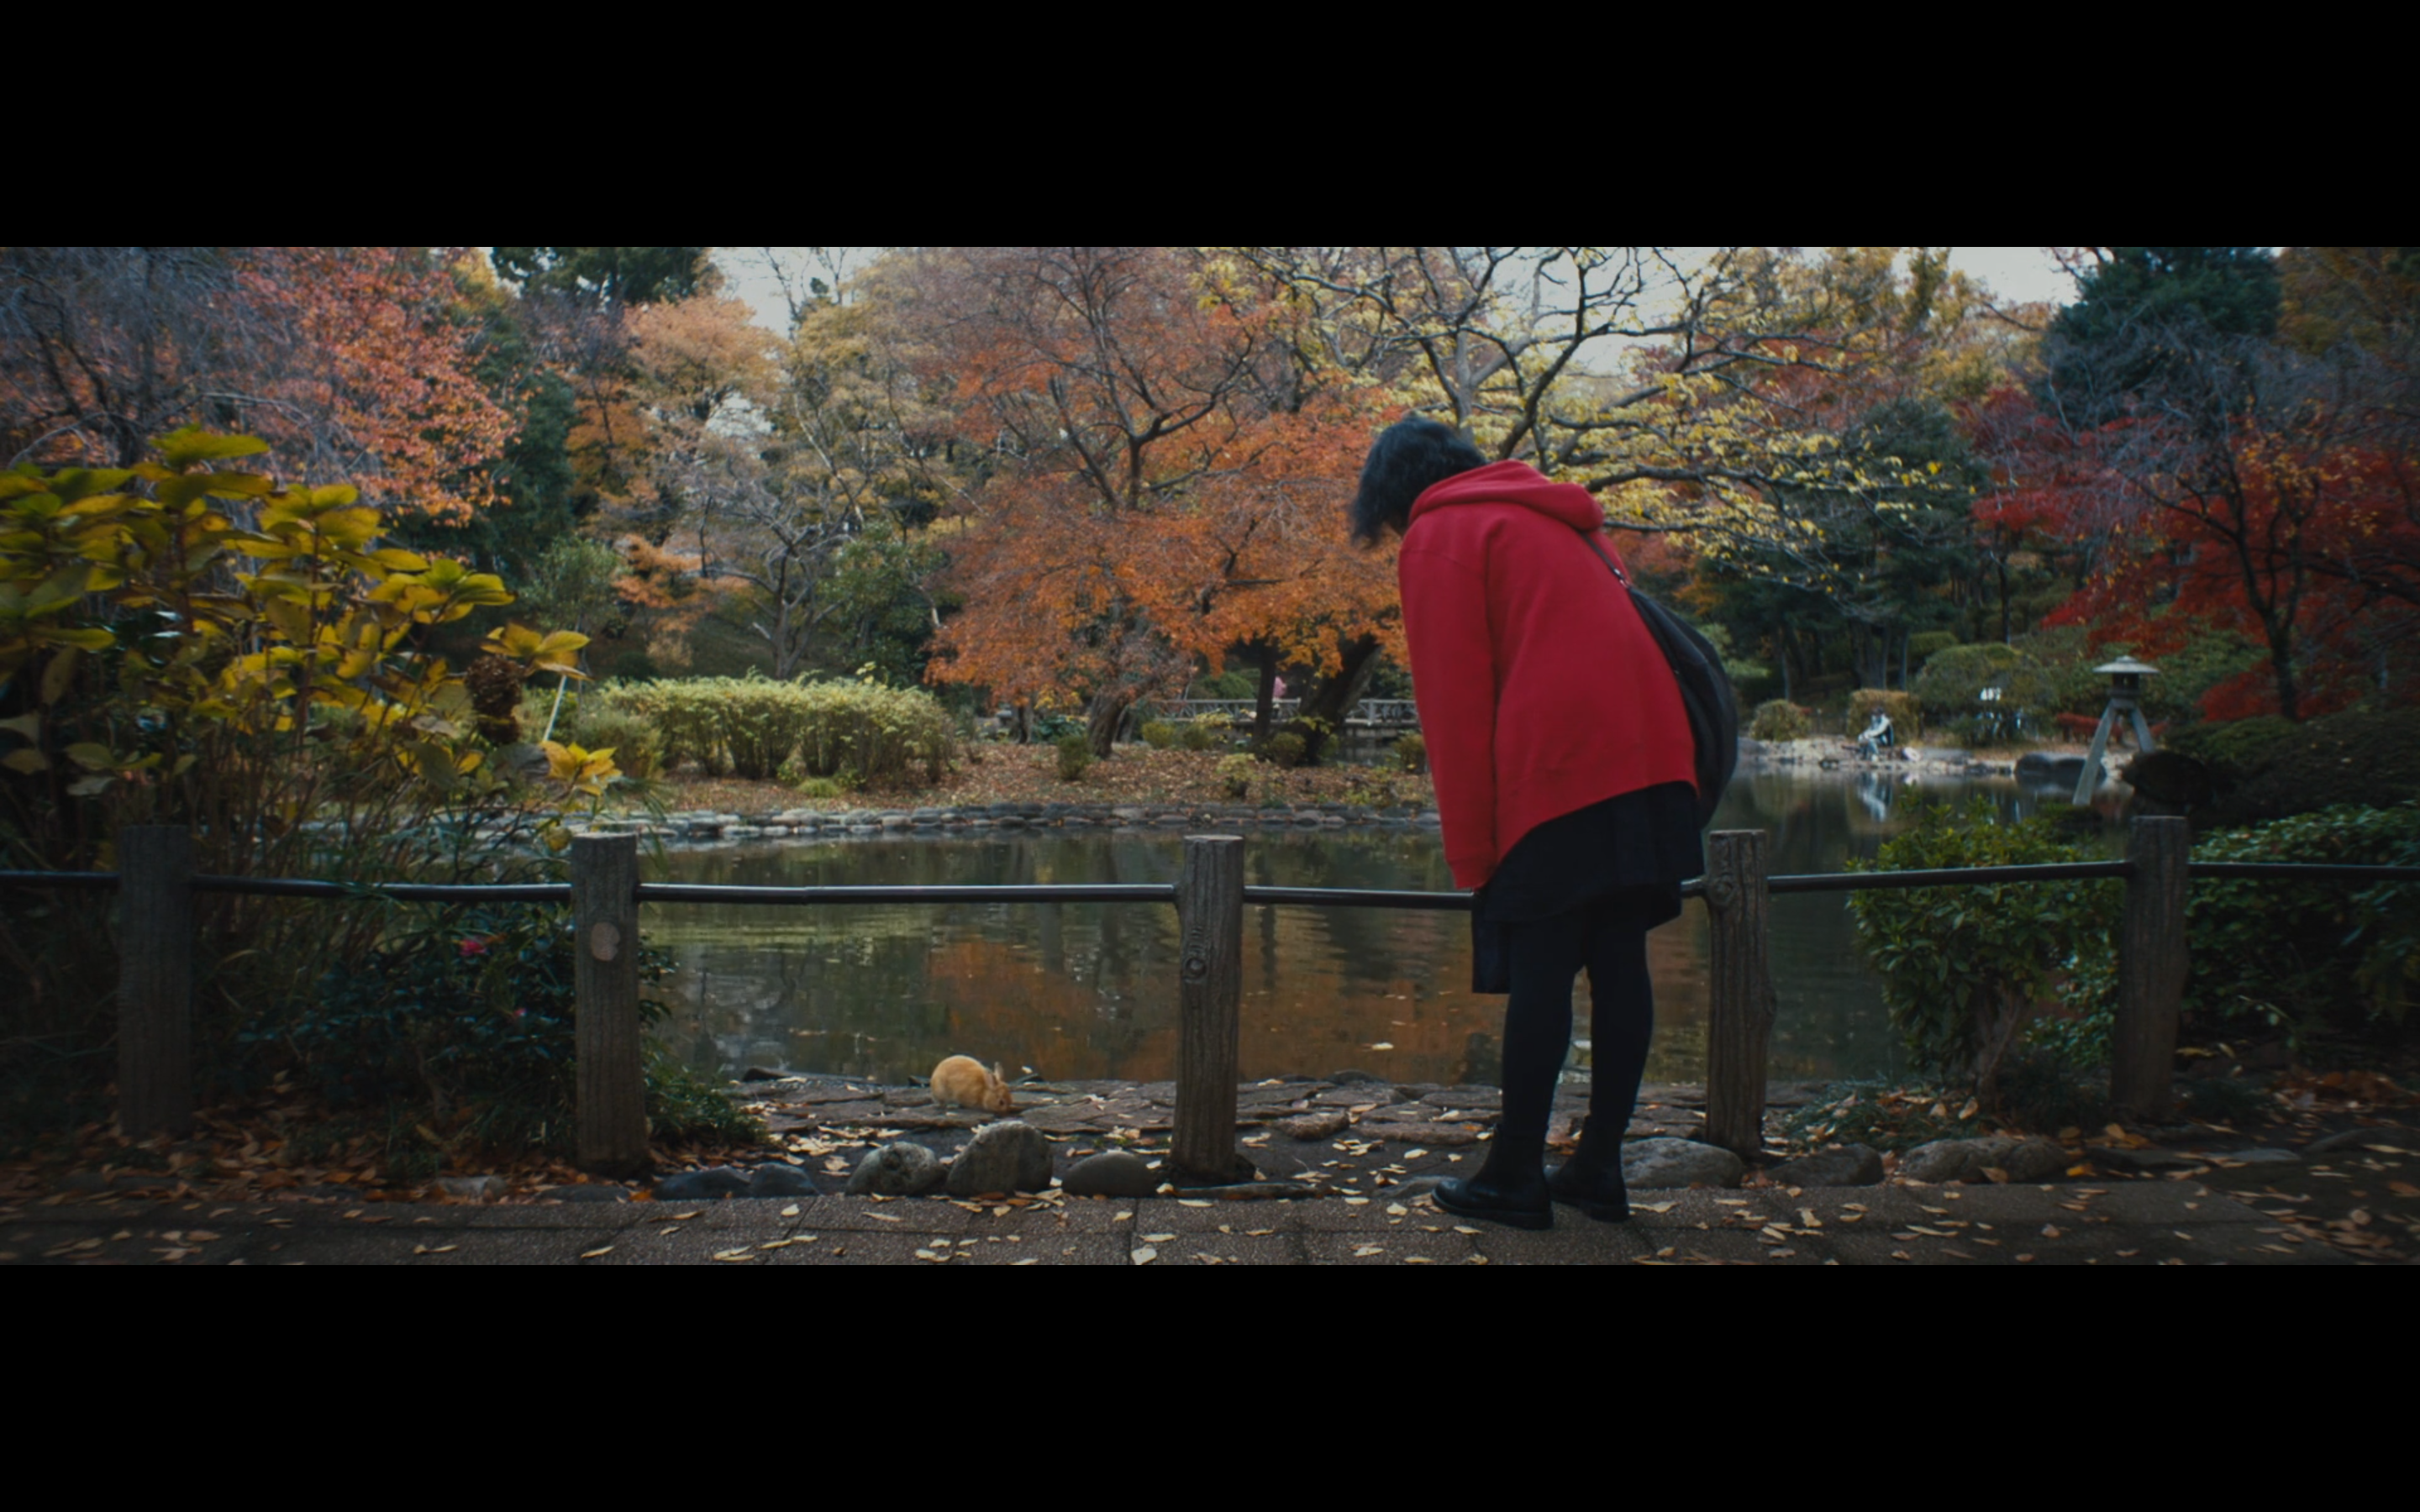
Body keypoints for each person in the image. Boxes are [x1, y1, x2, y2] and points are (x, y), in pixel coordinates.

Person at [1349, 418, 1701, 1229]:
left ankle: (1514, 1175)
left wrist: (1476, 854)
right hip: (1653, 757)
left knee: (1542, 962)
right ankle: (1599, 1168)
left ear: (1393, 497)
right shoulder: (1561, 521)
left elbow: (1455, 704)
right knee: (1618, 955)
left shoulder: (1442, 532)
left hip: (1560, 765)